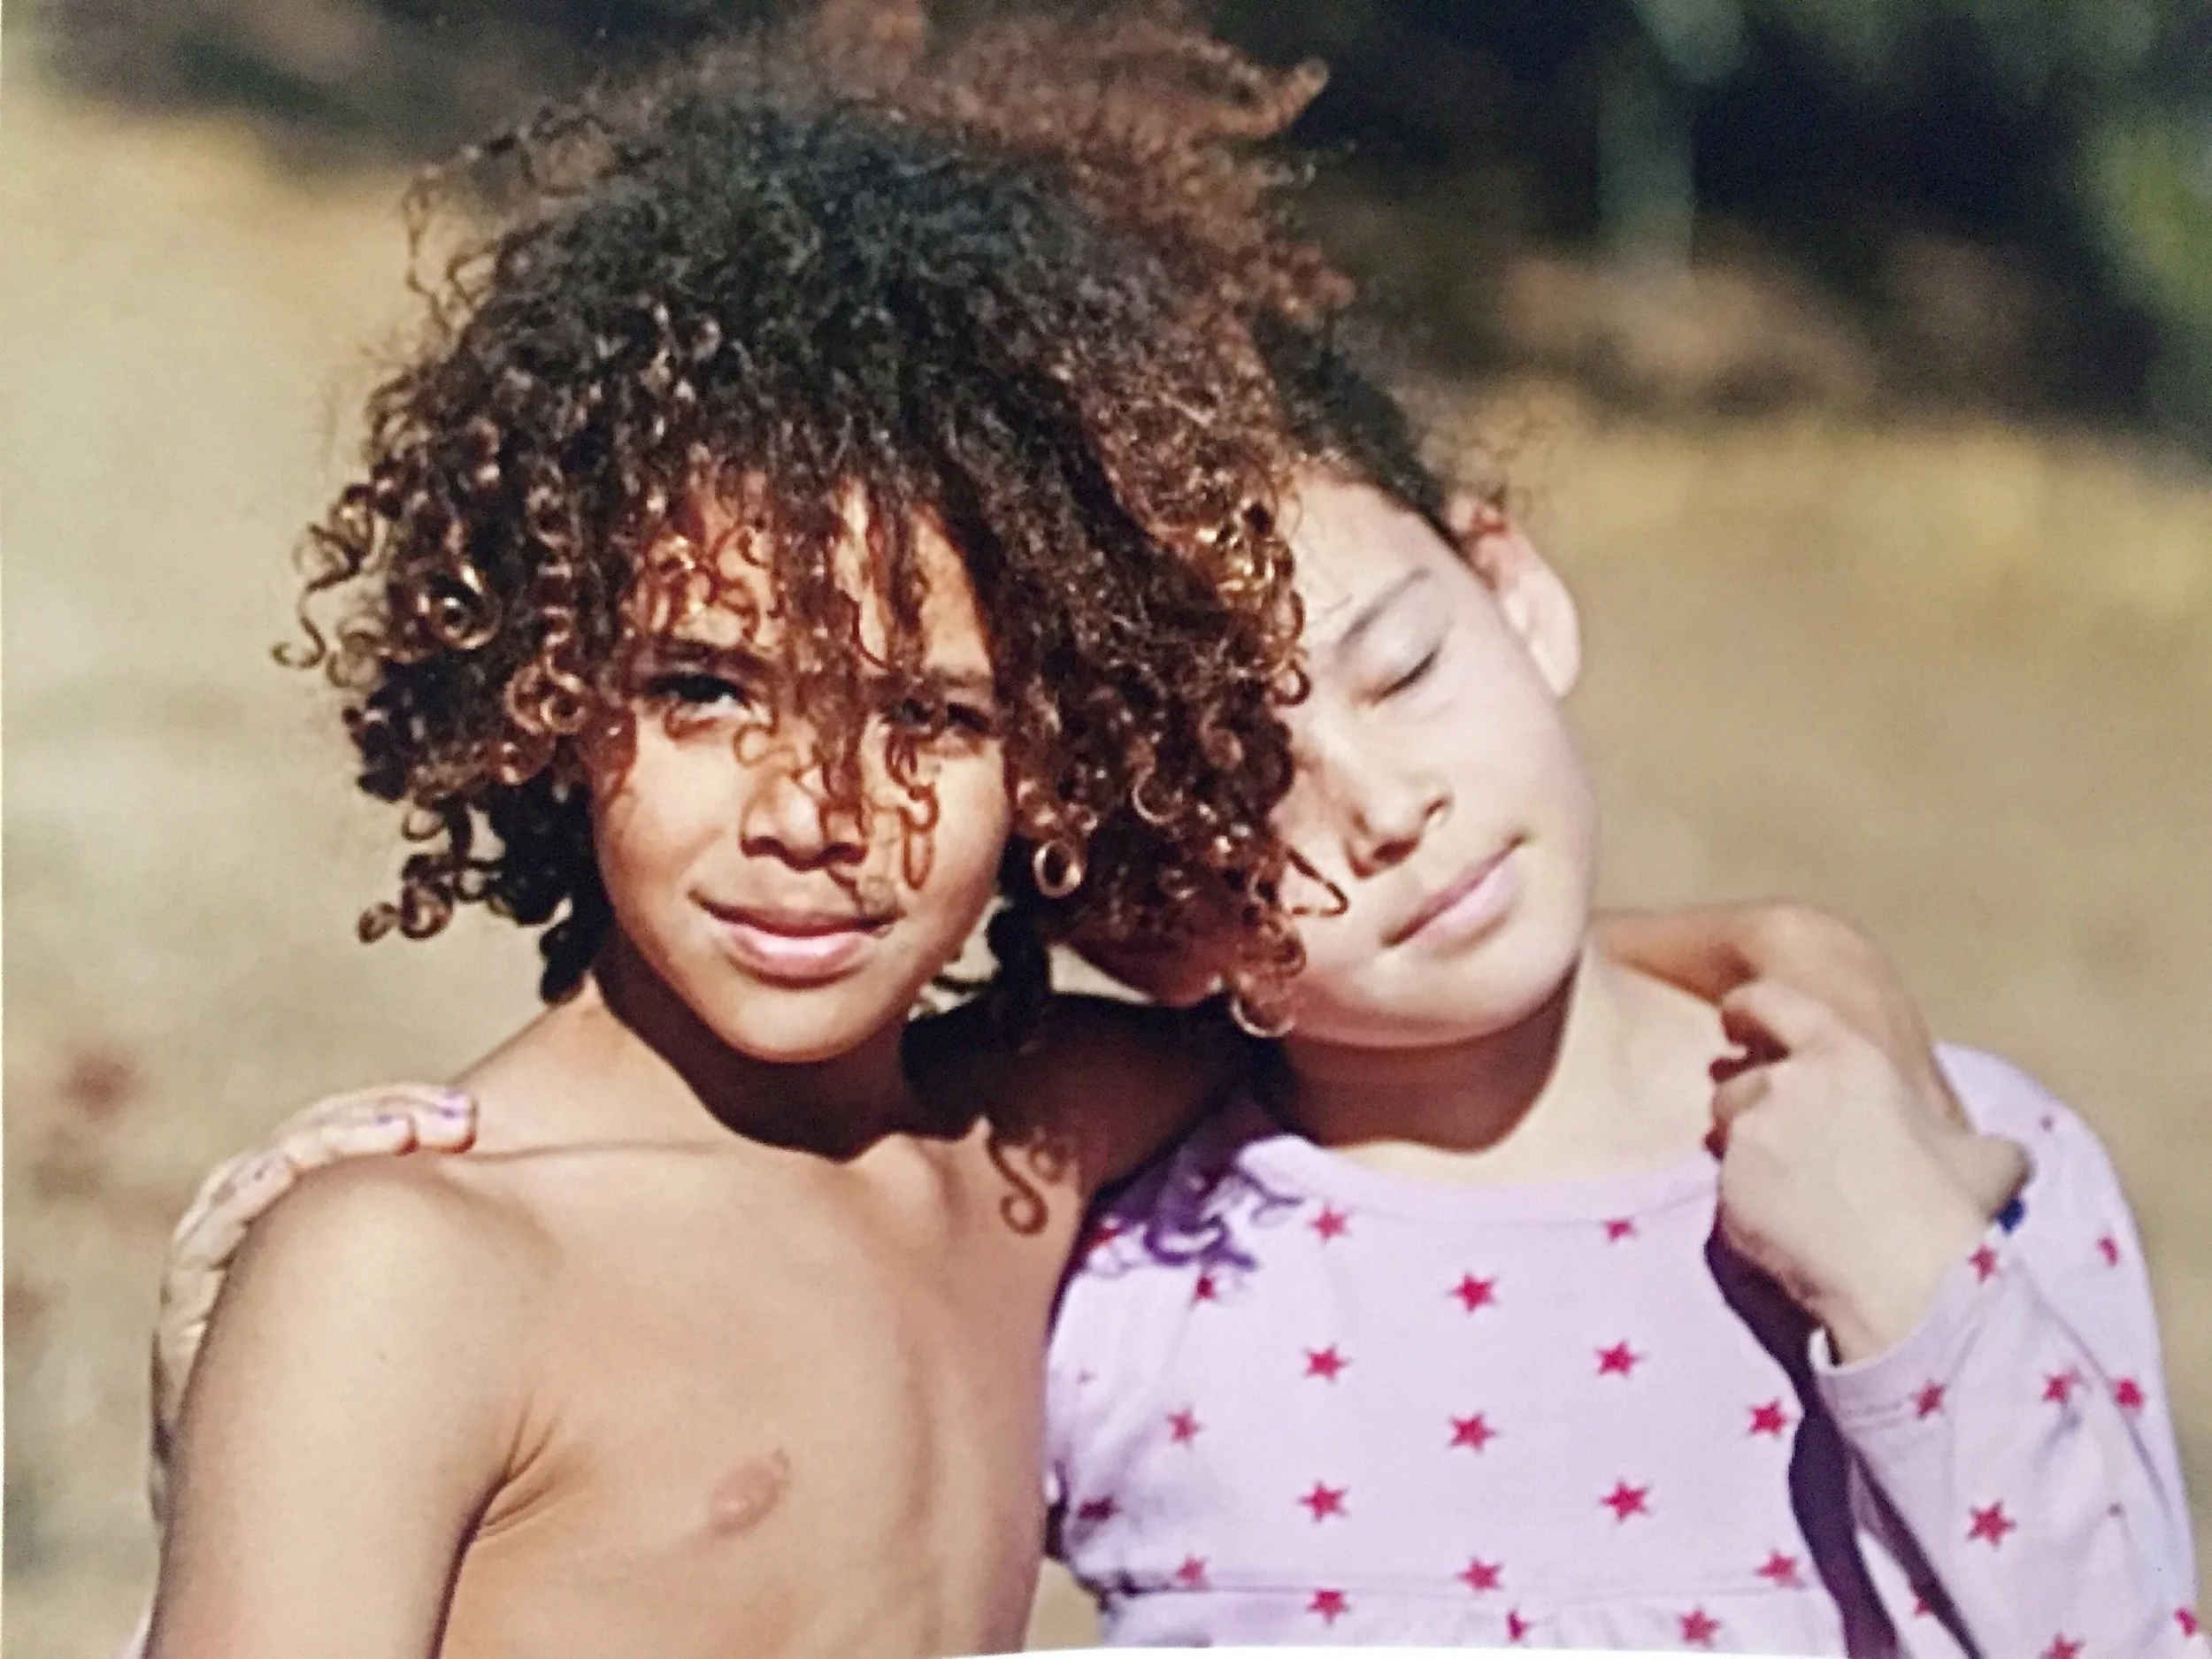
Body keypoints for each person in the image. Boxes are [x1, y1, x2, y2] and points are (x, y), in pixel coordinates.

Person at [141, 9, 2032, 1658]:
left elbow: (1424, 958)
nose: (813, 818)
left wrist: (1815, 976)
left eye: (932, 717)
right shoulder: (412, 1265)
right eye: (704, 688)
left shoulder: (1027, 1145)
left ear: (1072, 764)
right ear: (546, 685)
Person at [1033, 363, 2207, 1650]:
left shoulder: (1966, 1150)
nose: (1387, 808)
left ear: (1517, 596)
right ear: (1145, 923)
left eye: (1405, 669)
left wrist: (1915, 1291)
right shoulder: (1113, 1299)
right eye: (1245, 787)